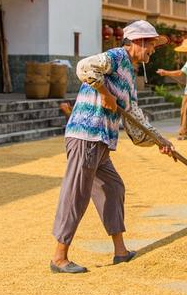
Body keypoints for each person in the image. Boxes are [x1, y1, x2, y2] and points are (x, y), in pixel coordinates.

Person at [51, 20, 175, 274]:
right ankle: (59, 257)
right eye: (151, 44)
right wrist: (106, 95)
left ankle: (120, 251)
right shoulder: (116, 57)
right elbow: (85, 68)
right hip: (87, 134)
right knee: (77, 194)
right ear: (138, 42)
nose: (153, 50)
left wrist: (159, 141)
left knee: (113, 188)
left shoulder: (130, 73)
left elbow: (134, 115)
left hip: (102, 141)